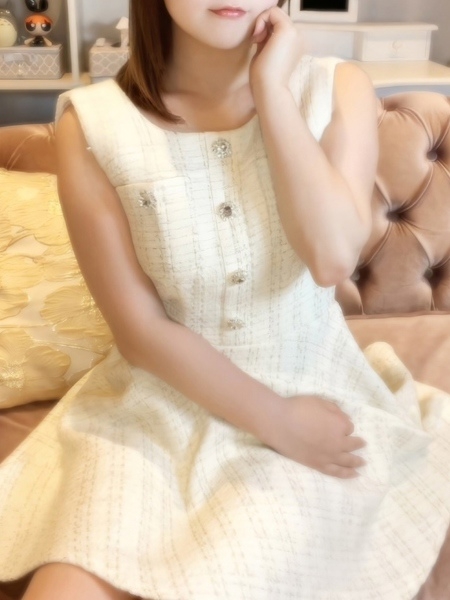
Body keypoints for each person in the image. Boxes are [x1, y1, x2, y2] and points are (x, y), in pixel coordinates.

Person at [0, 0, 449, 598]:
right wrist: (274, 419)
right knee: (66, 584)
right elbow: (139, 329)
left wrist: (272, 92)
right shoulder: (95, 122)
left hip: (308, 384)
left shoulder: (336, 88)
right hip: (157, 400)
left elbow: (331, 258)